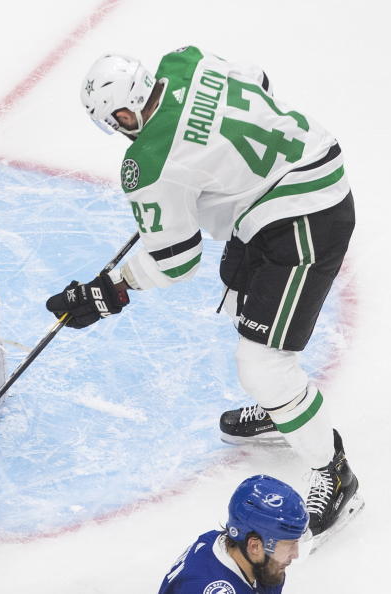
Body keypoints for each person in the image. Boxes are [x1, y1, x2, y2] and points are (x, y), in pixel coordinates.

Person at [46, 46, 361, 535]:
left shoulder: (149, 163)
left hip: (306, 217)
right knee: (238, 281)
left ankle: (333, 471)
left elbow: (177, 262)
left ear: (124, 115)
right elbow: (259, 80)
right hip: (295, 177)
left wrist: (109, 290)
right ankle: (285, 411)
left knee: (262, 366)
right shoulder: (188, 62)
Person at [158, 475, 307, 593]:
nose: (295, 554)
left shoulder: (262, 564)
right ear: (255, 546)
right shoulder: (210, 586)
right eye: (289, 545)